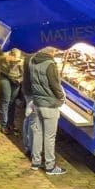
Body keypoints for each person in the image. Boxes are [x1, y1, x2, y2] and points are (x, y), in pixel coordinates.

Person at [23, 46, 67, 175]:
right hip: (49, 105)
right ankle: (50, 166)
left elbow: (31, 82)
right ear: (51, 52)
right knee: (49, 136)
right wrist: (61, 97)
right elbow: (55, 85)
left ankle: (35, 162)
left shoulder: (32, 60)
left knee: (37, 133)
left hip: (37, 102)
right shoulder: (50, 64)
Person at [0, 48, 24, 134]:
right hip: (5, 75)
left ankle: (10, 123)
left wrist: (20, 79)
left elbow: (25, 72)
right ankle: (3, 125)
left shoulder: (25, 46)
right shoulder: (6, 45)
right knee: (5, 100)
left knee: (12, 102)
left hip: (17, 78)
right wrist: (6, 57)